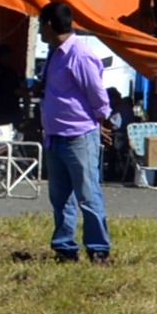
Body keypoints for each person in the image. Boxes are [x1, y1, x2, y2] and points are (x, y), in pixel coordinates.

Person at [36, 15, 121, 262]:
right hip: (55, 136)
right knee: (60, 197)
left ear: (50, 24)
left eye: (41, 23)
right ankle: (64, 248)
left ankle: (98, 249)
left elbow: (96, 92)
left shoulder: (79, 54)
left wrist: (99, 121)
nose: (40, 30)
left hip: (78, 136)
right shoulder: (55, 54)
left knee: (87, 194)